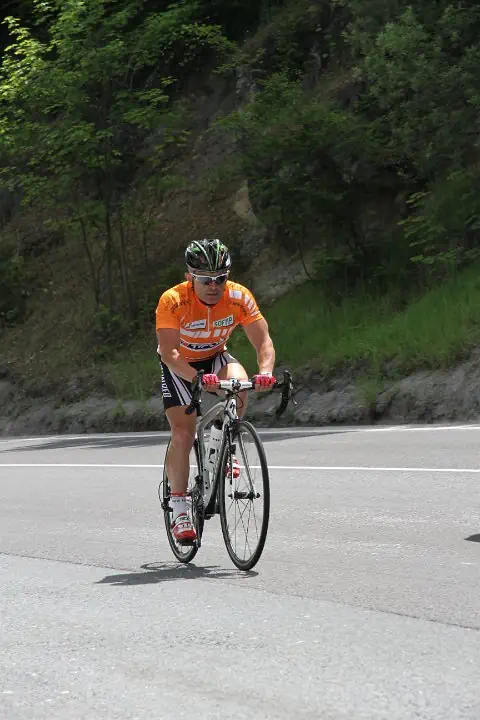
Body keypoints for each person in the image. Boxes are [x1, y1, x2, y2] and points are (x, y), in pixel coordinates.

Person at [156, 238, 276, 544]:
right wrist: (196, 376)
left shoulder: (238, 297)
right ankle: (180, 507)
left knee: (239, 384)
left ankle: (225, 445)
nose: (213, 286)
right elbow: (169, 352)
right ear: (189, 277)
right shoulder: (173, 300)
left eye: (220, 278)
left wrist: (265, 372)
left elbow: (263, 341)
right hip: (180, 364)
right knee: (183, 432)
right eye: (205, 280)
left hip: (215, 357)